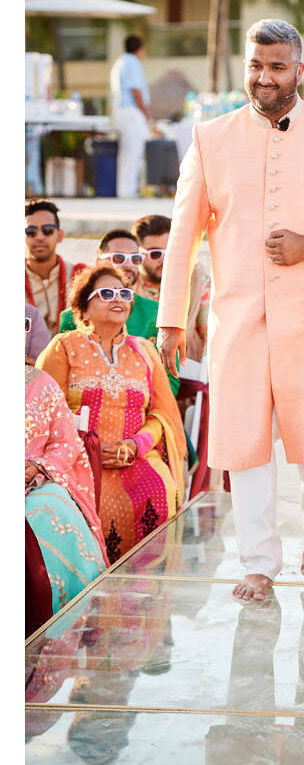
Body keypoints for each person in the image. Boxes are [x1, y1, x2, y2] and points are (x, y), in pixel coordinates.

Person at [156, 17, 304, 603]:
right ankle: (258, 563)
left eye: (277, 67)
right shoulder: (210, 138)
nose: (264, 78)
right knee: (246, 441)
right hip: (238, 319)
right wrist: (170, 320)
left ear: (299, 70)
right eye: (255, 66)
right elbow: (183, 236)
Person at [36, 263, 187, 565]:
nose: (118, 299)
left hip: (137, 459)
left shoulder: (144, 351)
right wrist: (87, 448)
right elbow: (46, 410)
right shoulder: (64, 347)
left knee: (159, 490)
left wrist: (135, 446)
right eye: (106, 293)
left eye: (124, 293)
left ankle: (143, 599)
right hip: (77, 461)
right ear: (83, 306)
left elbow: (162, 414)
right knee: (84, 504)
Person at [26, 324, 109, 631]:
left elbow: (66, 442)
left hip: (34, 484)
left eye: (22, 325)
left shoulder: (41, 383)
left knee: (53, 510)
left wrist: (37, 467)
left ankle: (63, 627)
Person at [58, 229, 159, 342]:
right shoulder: (71, 317)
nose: (128, 265)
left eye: (135, 259)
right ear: (98, 262)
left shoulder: (155, 311)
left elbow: (167, 359)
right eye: (118, 258)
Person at [133, 214, 210, 362]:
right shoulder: (125, 285)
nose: (166, 260)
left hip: (187, 368)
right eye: (155, 254)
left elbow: (211, 333)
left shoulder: (198, 281)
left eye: (171, 252)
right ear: (138, 255)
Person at [25, 199, 84, 338]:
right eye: (31, 231)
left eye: (47, 230)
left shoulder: (80, 277)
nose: (39, 237)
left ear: (60, 235)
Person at [109, 35, 155, 198]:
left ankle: (125, 189)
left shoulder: (120, 62)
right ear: (140, 49)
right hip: (132, 111)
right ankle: (129, 190)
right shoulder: (132, 63)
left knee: (126, 151)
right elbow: (135, 90)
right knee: (133, 150)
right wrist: (146, 113)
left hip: (122, 110)